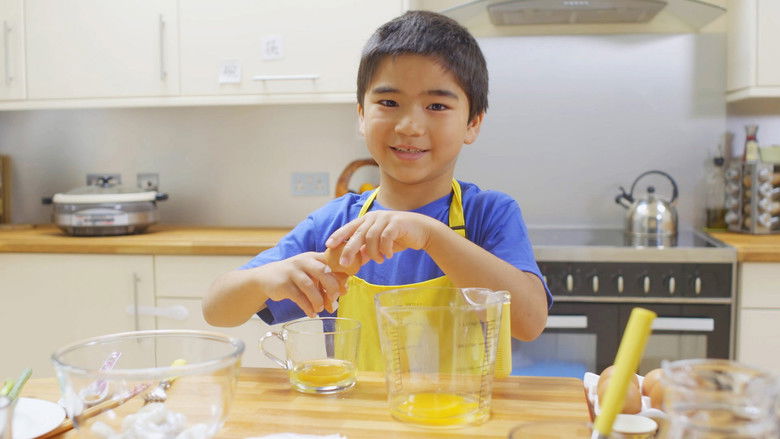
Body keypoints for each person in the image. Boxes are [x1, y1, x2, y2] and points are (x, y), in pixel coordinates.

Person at [203, 10, 551, 371]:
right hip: (361, 422)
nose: (410, 125)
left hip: (464, 423)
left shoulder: (490, 214)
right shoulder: (336, 224)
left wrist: (431, 235)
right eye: (388, 103)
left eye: (436, 106)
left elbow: (529, 322)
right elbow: (216, 309)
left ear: (472, 123)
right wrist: (264, 280)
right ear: (361, 115)